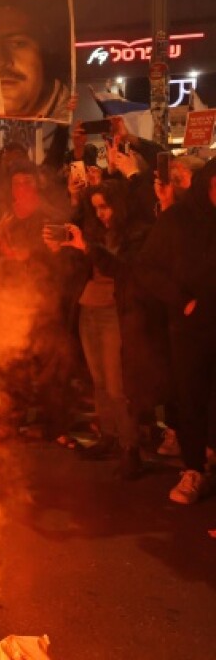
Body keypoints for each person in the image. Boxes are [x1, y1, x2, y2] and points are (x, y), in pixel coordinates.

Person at [44, 180, 148, 478]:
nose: (101, 213)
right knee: (100, 381)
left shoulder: (134, 232)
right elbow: (80, 264)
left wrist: (87, 247)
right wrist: (62, 247)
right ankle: (109, 437)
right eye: (96, 208)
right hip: (89, 309)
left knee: (117, 384)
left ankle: (131, 449)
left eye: (105, 206)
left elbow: (122, 269)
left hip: (115, 312)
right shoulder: (95, 229)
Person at [136, 159, 216, 505]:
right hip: (190, 330)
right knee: (192, 400)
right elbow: (147, 268)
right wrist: (182, 301)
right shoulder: (178, 221)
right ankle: (195, 467)